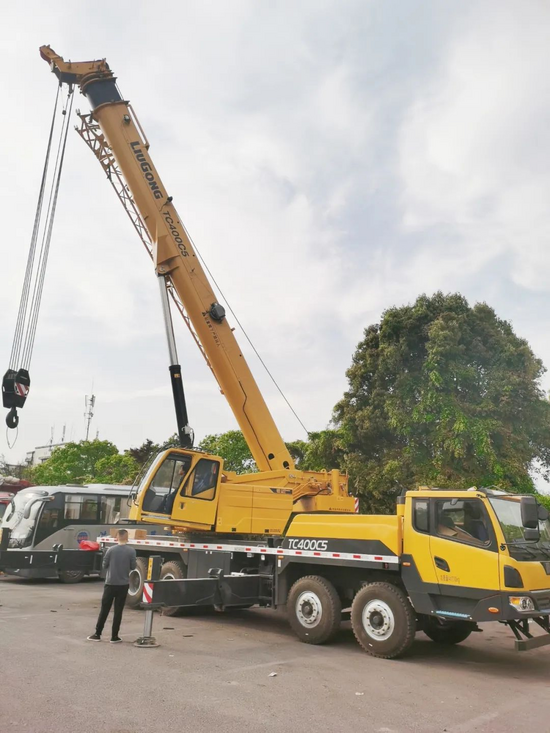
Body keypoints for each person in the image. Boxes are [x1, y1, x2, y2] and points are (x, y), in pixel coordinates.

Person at [87, 529, 137, 643]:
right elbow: (133, 566)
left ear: (117, 537)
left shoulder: (110, 550)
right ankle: (114, 636)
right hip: (123, 585)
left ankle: (97, 634)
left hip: (110, 584)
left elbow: (104, 565)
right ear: (127, 538)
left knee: (104, 610)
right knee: (118, 611)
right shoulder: (131, 551)